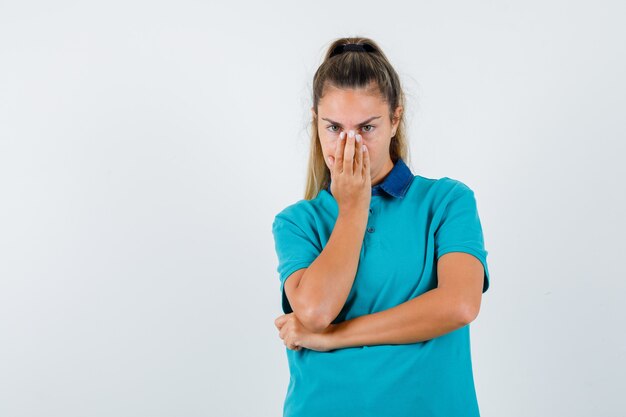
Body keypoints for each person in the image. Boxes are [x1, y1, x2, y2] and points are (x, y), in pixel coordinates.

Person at [272, 37, 491, 417]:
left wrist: (333, 339)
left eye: (367, 128)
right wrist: (353, 208)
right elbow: (315, 313)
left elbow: (459, 304)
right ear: (316, 123)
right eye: (334, 127)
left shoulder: (447, 201)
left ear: (394, 120)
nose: (349, 143)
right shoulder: (297, 222)